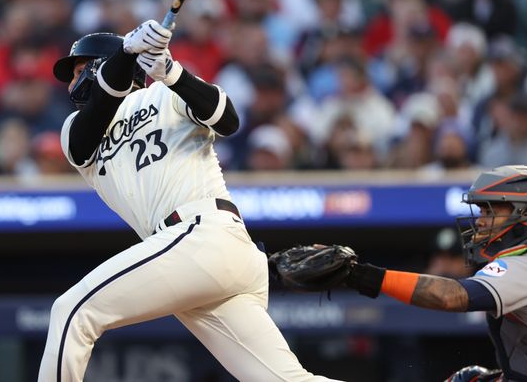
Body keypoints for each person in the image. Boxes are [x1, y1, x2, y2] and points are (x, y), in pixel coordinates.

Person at [41, 23, 341, 381]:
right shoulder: (76, 128)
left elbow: (229, 120)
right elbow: (83, 140)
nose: (72, 82)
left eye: (79, 70)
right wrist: (125, 54)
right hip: (192, 255)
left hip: (203, 232)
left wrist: (172, 72)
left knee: (73, 311)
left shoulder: (164, 95)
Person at [340, 164, 527, 381]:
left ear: (526, 211)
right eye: (481, 211)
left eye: (490, 211)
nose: (480, 221)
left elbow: (452, 296)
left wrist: (360, 275)